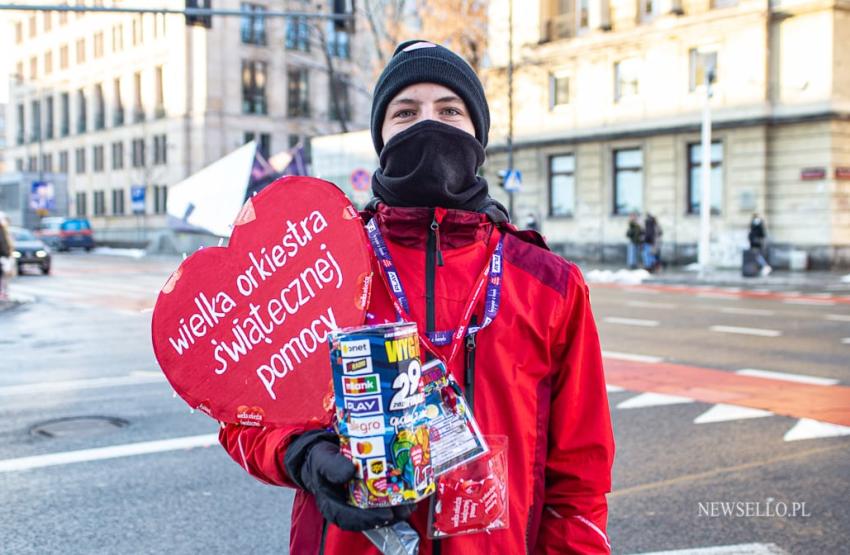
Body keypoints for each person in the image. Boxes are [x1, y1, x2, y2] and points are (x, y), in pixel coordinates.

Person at [218, 40, 615, 554]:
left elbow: (580, 474)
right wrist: (302, 453)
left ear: (479, 132)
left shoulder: (550, 283)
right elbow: (244, 413)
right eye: (406, 113)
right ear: (380, 135)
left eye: (449, 110)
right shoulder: (320, 268)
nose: (429, 125)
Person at [0, 212, 13, 301]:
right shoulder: (2, 230)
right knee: (4, 275)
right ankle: (3, 292)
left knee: (5, 276)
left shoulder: (5, 231)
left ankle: (4, 292)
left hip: (5, 257)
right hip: (3, 257)